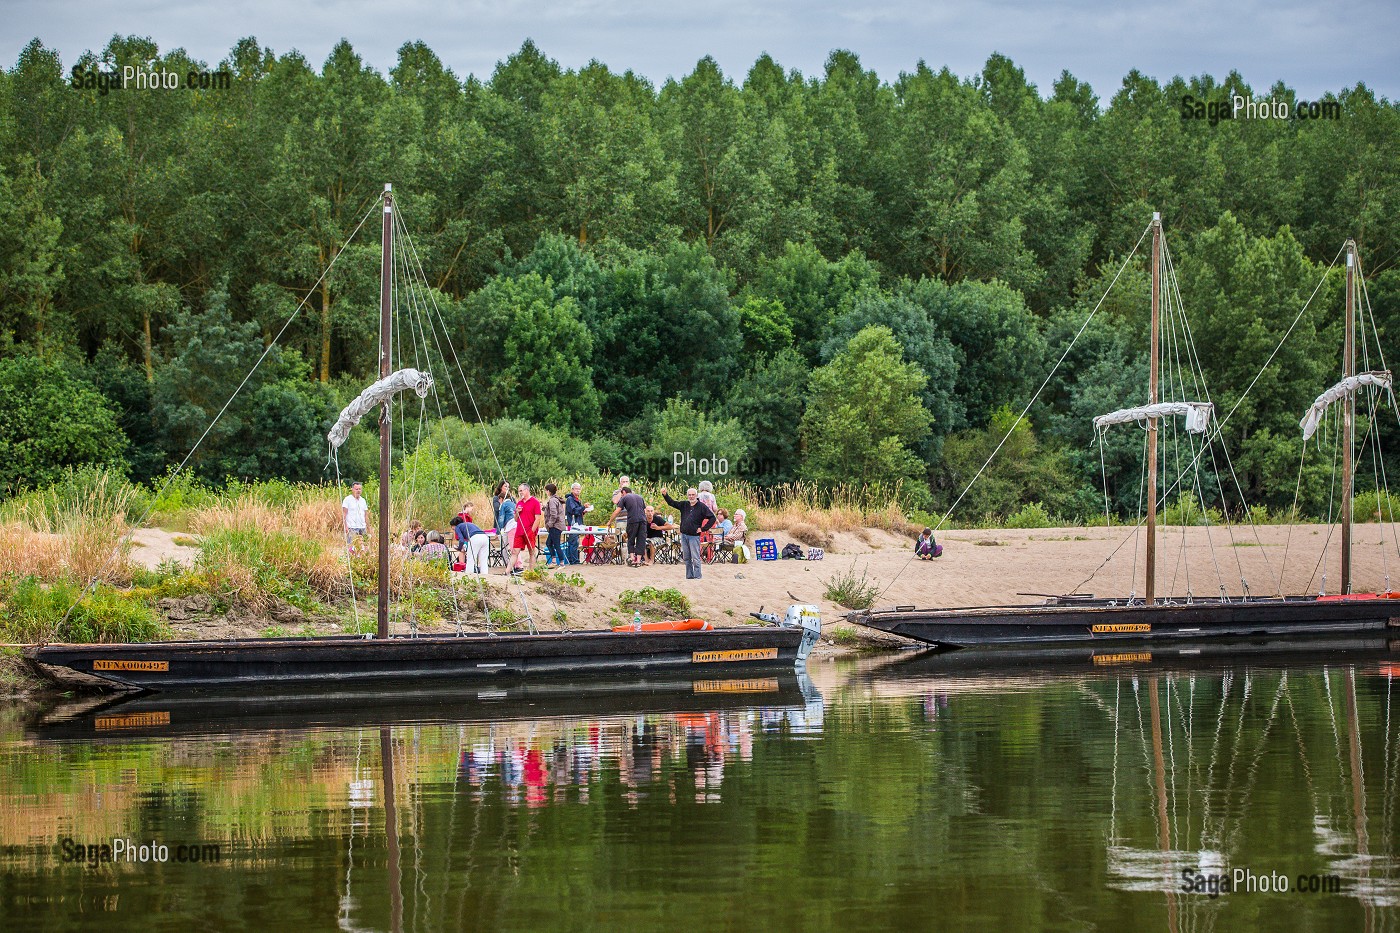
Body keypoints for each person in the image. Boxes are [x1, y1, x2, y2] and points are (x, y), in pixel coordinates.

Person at [661, 485, 715, 580]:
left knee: (695, 557)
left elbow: (712, 518)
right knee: (686, 557)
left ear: (696, 495)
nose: (691, 496)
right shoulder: (684, 504)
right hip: (684, 535)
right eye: (689, 495)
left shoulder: (702, 506)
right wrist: (665, 495)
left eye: (693, 494)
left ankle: (697, 576)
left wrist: (703, 529)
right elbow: (672, 503)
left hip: (694, 536)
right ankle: (689, 576)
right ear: (687, 495)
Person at [610, 485, 648, 567]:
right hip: (643, 520)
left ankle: (632, 558)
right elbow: (644, 510)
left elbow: (617, 511)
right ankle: (638, 560)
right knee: (641, 540)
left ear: (623, 492)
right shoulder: (640, 497)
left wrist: (609, 521)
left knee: (631, 539)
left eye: (622, 494)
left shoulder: (624, 497)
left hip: (632, 520)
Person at [513, 483, 542, 574]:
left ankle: (531, 571)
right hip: (520, 531)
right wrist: (517, 512)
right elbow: (515, 519)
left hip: (530, 531)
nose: (520, 493)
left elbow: (538, 518)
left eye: (521, 490)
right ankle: (508, 571)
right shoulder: (519, 503)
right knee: (515, 551)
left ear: (527, 490)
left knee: (531, 551)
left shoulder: (535, 502)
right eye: (519, 491)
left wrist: (532, 531)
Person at [543, 483, 568, 567]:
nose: (545, 492)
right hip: (558, 525)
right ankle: (555, 560)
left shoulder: (552, 500)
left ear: (549, 491)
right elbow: (552, 510)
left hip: (555, 526)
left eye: (546, 491)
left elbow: (554, 514)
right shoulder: (556, 500)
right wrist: (544, 508)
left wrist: (550, 524)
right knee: (549, 543)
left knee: (555, 544)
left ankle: (560, 562)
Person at [342, 482, 371, 549]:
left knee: (365, 545)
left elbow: (365, 515)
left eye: (359, 489)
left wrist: (368, 527)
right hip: (352, 527)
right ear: (352, 489)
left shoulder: (363, 500)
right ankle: (352, 558)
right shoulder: (347, 500)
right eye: (356, 489)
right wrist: (345, 526)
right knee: (352, 546)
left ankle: (364, 558)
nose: (358, 491)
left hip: (362, 527)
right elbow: (344, 514)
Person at [565, 482, 588, 564]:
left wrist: (583, 511)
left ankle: (575, 560)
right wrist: (583, 507)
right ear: (572, 490)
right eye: (576, 489)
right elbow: (573, 510)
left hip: (577, 524)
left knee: (575, 542)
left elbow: (578, 511)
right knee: (573, 542)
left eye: (579, 489)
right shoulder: (570, 499)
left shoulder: (577, 499)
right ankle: (573, 561)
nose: (578, 490)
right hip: (573, 524)